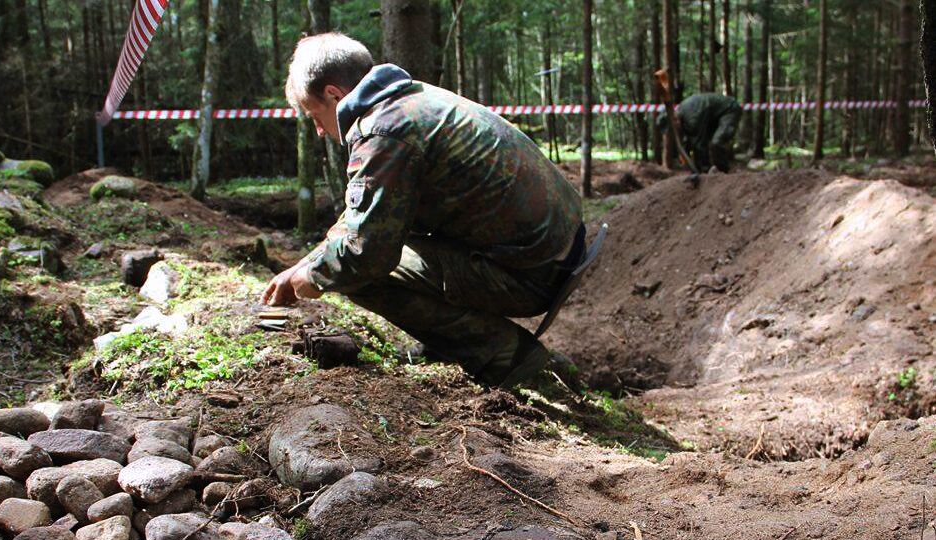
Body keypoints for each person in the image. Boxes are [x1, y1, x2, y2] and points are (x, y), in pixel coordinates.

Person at [261, 33, 585, 388]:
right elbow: (368, 215)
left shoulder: (383, 132)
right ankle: (451, 344)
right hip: (558, 252)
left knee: (360, 274)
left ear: (333, 95)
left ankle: (504, 355)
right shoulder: (410, 99)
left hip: (533, 274)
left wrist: (313, 277)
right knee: (364, 254)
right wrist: (303, 263)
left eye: (314, 115)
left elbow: (365, 252)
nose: (320, 130)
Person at [664, 93, 743, 173]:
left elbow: (698, 145)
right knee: (709, 143)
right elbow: (690, 142)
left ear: (675, 120)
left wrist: (702, 169)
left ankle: (723, 172)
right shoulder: (682, 113)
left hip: (729, 109)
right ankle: (711, 170)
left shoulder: (692, 119)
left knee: (716, 142)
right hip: (713, 117)